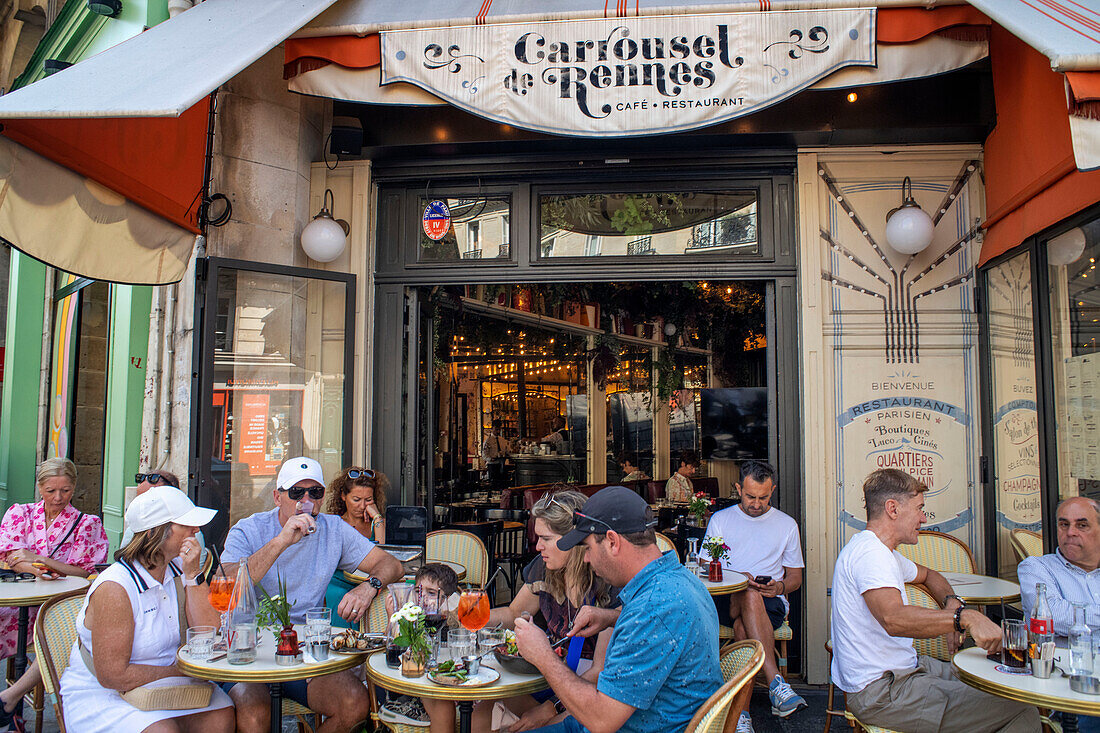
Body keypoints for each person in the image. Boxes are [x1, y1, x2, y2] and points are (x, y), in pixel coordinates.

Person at [831, 469, 1040, 733]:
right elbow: (893, 619)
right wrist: (964, 618)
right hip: (884, 693)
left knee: (996, 680)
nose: (923, 517)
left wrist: (952, 602)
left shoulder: (882, 552)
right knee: (1022, 708)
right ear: (892, 509)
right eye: (919, 508)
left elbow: (930, 575)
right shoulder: (871, 555)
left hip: (906, 670)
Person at [513, 485, 722, 733]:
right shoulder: (678, 580)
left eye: (588, 548)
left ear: (612, 541)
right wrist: (612, 617)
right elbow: (664, 628)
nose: (587, 558)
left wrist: (543, 656)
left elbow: (602, 721)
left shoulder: (652, 609)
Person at [220, 456, 403, 733]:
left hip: (305, 652)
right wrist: (282, 541)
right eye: (296, 492)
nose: (306, 499)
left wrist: (368, 588)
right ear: (277, 496)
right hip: (250, 651)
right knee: (256, 713)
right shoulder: (250, 528)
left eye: (314, 492)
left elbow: (391, 564)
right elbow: (229, 582)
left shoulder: (332, 529)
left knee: (353, 703)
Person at [59, 485, 234, 733]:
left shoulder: (178, 569)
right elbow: (112, 676)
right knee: (162, 731)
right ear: (155, 532)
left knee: (222, 717)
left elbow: (209, 630)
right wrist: (182, 671)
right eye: (186, 524)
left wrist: (194, 573)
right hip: (105, 692)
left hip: (170, 682)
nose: (196, 530)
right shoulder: (116, 587)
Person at [471, 491, 618, 732]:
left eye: (546, 538)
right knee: (484, 699)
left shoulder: (606, 581)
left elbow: (598, 672)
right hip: (550, 675)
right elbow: (513, 613)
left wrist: (551, 707)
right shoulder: (545, 567)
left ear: (575, 540)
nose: (538, 546)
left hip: (588, 693)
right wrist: (471, 618)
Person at [0, 457, 108, 729]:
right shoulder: (20, 513)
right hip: (16, 603)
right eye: (51, 491)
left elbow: (83, 570)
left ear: (74, 488)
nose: (59, 497)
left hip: (59, 603)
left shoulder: (87, 523)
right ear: (39, 488)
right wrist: (36, 567)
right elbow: (9, 555)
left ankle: (9, 698)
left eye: (66, 490)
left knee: (61, 635)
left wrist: (39, 559)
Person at [702, 459, 805, 732]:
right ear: (738, 488)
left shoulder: (786, 525)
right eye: (750, 496)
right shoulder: (721, 520)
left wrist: (779, 588)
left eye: (763, 497)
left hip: (769, 602)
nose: (756, 503)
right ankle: (776, 684)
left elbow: (795, 578)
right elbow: (703, 566)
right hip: (726, 598)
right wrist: (736, 577)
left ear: (771, 491)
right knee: (746, 591)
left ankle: (741, 715)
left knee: (741, 625)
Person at [1018, 496, 1100, 733]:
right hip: (1071, 686)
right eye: (1064, 524)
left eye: (1081, 525)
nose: (1071, 532)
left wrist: (1081, 616)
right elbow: (1054, 617)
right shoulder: (1037, 567)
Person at [379, 563, 461, 731]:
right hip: (414, 684)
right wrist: (392, 618)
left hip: (446, 682)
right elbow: (391, 649)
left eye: (431, 593)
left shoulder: (451, 622)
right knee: (442, 705)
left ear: (448, 599)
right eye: (418, 592)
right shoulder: (410, 619)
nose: (422, 598)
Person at [323, 467, 389, 629]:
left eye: (368, 500)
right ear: (343, 496)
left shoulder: (377, 523)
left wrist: (378, 517)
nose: (362, 505)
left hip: (369, 580)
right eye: (356, 499)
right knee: (339, 595)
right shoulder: (335, 524)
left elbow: (383, 555)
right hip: (340, 581)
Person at [482, 419, 512, 489]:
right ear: (492, 428)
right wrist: (490, 458)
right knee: (494, 485)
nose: (498, 431)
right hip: (492, 465)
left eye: (499, 429)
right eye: (496, 429)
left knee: (502, 484)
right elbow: (484, 454)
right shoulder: (488, 441)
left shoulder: (502, 440)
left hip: (502, 465)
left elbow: (508, 450)